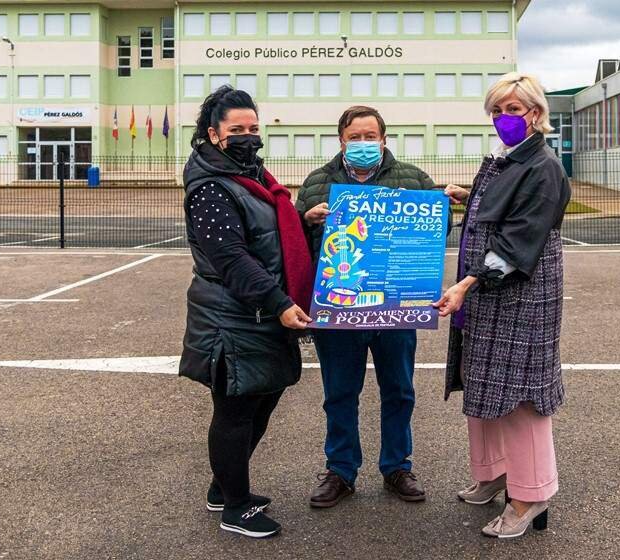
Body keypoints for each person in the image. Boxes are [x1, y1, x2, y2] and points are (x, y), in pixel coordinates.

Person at [434, 73, 570, 539]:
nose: (504, 118)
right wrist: (468, 198)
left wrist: (467, 284)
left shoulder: (544, 165)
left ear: (536, 112)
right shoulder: (506, 159)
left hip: (519, 296)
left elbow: (519, 241)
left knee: (521, 399)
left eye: (514, 109)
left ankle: (530, 495)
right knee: (484, 385)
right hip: (488, 297)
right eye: (497, 110)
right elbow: (503, 210)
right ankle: (494, 473)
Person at [179, 85, 313, 539]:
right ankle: (235, 507)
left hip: (258, 315)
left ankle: (224, 487)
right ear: (213, 133)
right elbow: (232, 258)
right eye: (237, 129)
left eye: (254, 128)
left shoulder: (250, 175)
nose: (248, 136)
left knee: (262, 402)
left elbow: (266, 233)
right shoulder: (211, 188)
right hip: (233, 318)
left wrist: (301, 219)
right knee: (236, 413)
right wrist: (279, 303)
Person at [295, 106, 437, 508]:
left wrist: (426, 214)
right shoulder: (318, 183)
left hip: (395, 309)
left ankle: (397, 466)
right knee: (340, 393)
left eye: (370, 136)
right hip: (339, 311)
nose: (362, 144)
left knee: (399, 390)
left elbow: (434, 234)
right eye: (354, 137)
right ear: (341, 140)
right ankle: (340, 470)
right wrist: (306, 220)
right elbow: (297, 247)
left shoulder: (413, 179)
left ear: (384, 139)